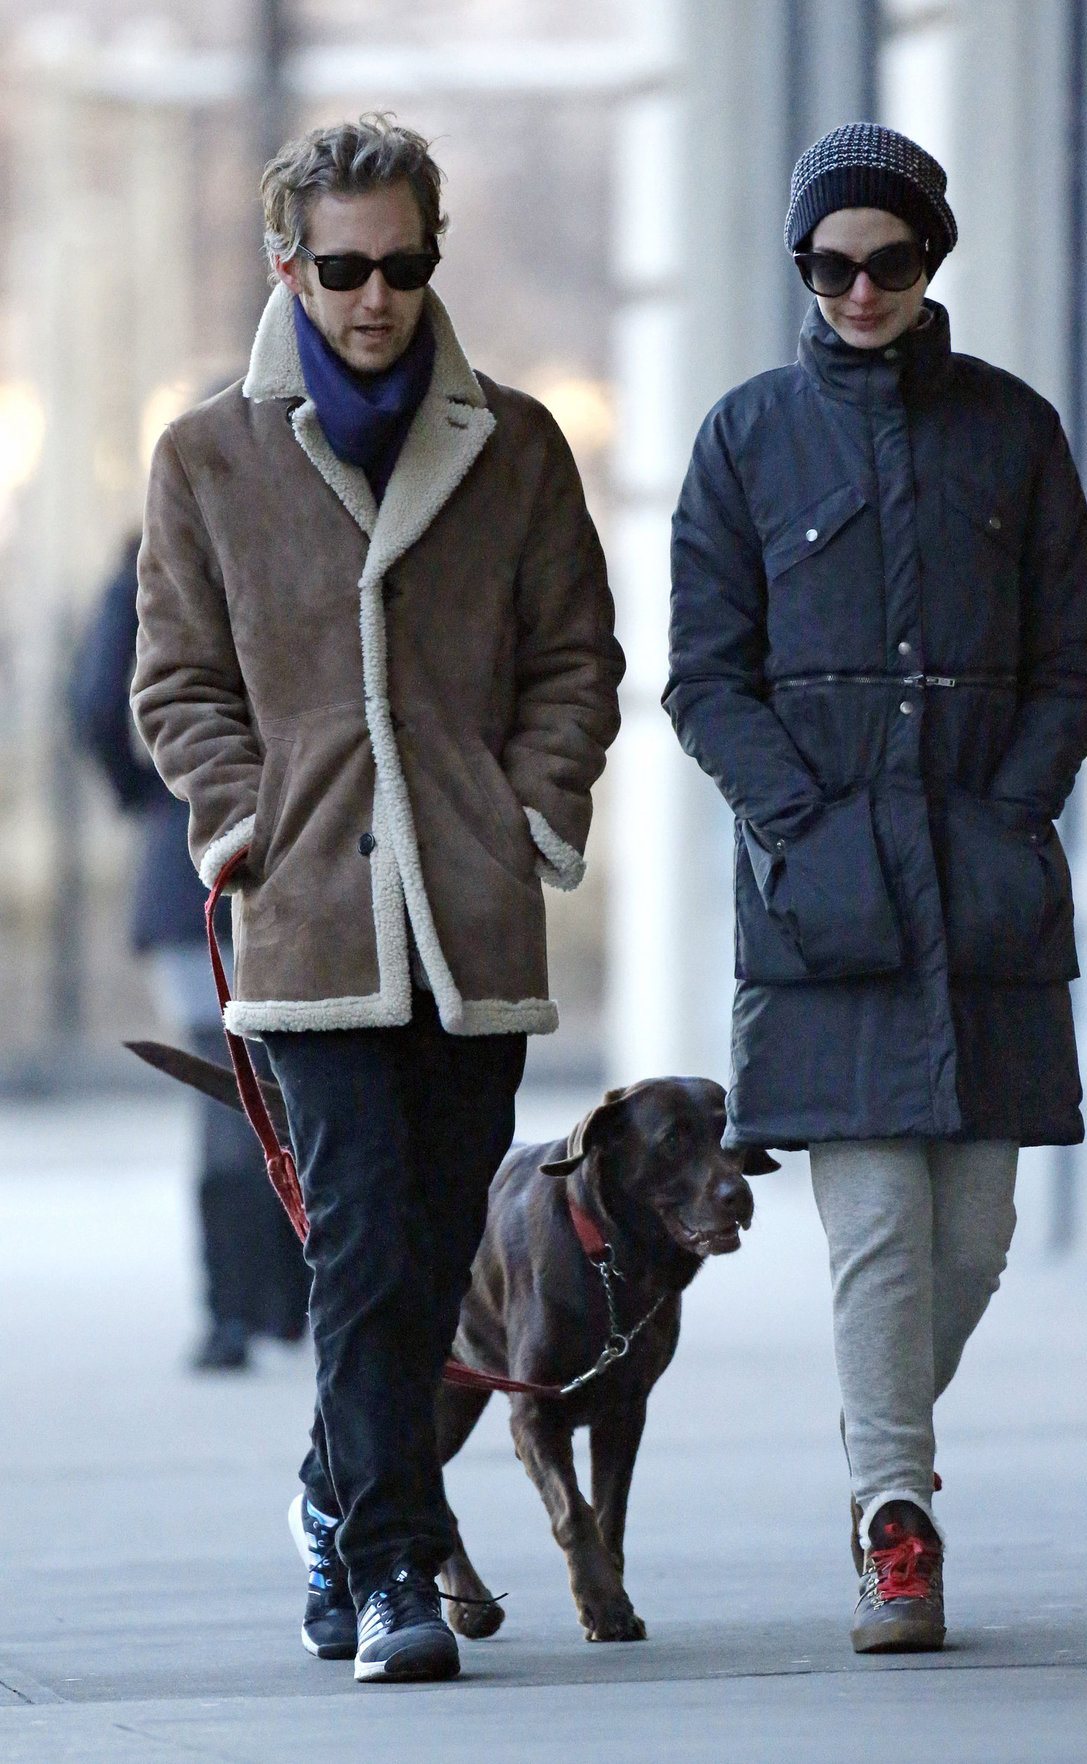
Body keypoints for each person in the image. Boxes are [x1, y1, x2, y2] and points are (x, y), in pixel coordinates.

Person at [131, 114, 623, 1684]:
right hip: (309, 924)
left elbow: (576, 660)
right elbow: (175, 684)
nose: (376, 297)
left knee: (431, 1251)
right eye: (344, 269)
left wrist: (529, 812)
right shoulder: (206, 457)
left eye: (404, 266)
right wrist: (243, 824)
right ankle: (394, 1568)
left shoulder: (515, 444)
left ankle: (332, 1504)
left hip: (468, 921)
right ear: (289, 265)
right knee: (356, 1246)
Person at [665, 122, 1087, 1654]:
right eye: (828, 266)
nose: (858, 290)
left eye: (888, 261)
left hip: (981, 886)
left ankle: (875, 1443)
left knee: (970, 1236)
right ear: (800, 268)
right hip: (830, 902)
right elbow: (704, 676)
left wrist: (1007, 807)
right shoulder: (742, 438)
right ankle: (894, 1521)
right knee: (874, 1235)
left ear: (932, 260)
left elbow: (1076, 655)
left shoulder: (1012, 428)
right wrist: (798, 825)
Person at [70, 534, 311, 1371]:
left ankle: (234, 1312)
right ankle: (291, 1298)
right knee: (303, 1079)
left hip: (188, 873)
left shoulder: (149, 559)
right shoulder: (299, 538)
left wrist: (147, 795)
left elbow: (96, 703)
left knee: (226, 1090)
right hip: (303, 855)